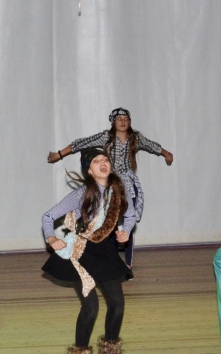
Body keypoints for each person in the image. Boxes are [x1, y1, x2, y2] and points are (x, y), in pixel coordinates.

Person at [42, 147, 137, 354]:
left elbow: (131, 215)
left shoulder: (118, 191)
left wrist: (126, 231)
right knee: (91, 307)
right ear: (89, 171)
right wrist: (52, 238)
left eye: (105, 159)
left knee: (117, 305)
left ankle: (111, 353)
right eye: (96, 161)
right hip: (80, 253)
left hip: (106, 254)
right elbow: (48, 217)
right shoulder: (81, 194)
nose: (103, 163)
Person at [48, 108, 173, 267]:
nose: (123, 122)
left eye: (126, 119)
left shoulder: (135, 138)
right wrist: (59, 154)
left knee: (129, 221)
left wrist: (166, 153)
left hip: (128, 184)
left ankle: (128, 264)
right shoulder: (106, 137)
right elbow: (81, 143)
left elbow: (151, 145)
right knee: (109, 222)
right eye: (119, 119)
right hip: (109, 183)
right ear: (113, 122)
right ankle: (110, 260)